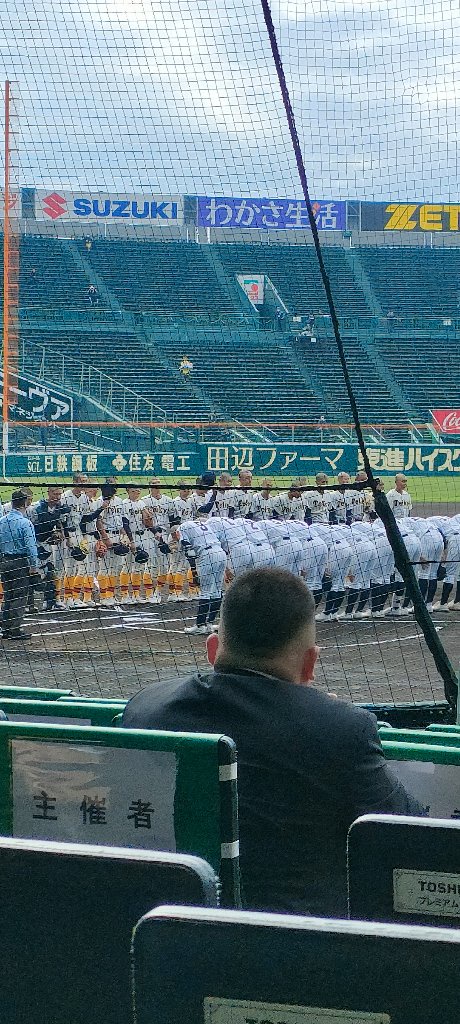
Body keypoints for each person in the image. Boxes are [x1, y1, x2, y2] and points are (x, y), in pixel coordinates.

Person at [123, 567, 424, 916]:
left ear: (213, 648)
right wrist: (324, 712)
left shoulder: (145, 708)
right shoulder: (343, 730)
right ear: (310, 664)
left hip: (164, 926)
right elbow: (409, 830)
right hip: (292, 940)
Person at [0, 490, 40, 640]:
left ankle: (5, 628)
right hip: (20, 562)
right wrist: (34, 567)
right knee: (20, 596)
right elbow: (31, 548)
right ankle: (14, 629)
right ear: (25, 503)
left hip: (4, 561)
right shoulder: (25, 523)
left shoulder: (2, 521)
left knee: (8, 595)